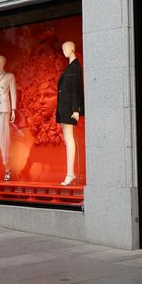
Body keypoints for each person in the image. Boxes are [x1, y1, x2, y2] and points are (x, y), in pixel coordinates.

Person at [56, 41, 84, 185]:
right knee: (68, 140)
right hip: (65, 108)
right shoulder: (71, 67)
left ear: (72, 48)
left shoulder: (75, 67)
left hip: (69, 109)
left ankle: (70, 173)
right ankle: (70, 173)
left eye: (65, 48)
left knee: (69, 139)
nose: (64, 51)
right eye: (63, 48)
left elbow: (75, 89)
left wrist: (75, 109)